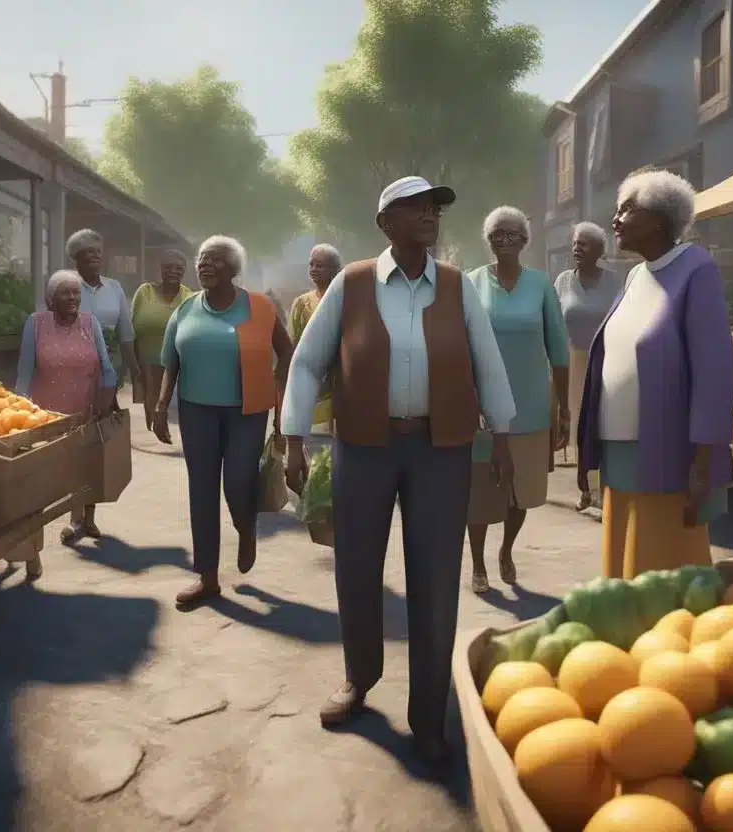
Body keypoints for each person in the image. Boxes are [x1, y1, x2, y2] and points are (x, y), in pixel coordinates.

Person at [282, 176, 515, 767]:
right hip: (365, 446)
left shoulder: (457, 287)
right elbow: (307, 362)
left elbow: (487, 360)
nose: (429, 215)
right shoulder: (353, 283)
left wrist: (503, 433)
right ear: (385, 222)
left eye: (434, 207)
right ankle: (358, 678)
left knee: (435, 579)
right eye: (415, 207)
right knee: (357, 567)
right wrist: (292, 439)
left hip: (441, 448)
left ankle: (428, 714)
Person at [576, 169, 733, 580]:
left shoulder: (696, 269)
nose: (616, 219)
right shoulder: (635, 275)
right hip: (619, 452)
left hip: (665, 454)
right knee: (623, 564)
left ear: (661, 218)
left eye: (628, 209)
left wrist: (703, 464)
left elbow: (714, 371)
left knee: (661, 570)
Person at [152, 235, 294, 609]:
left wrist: (279, 396)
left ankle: (246, 530)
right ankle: (207, 577)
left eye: (213, 259)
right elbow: (171, 362)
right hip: (196, 411)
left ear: (233, 268)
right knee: (201, 490)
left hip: (247, 411)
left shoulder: (260, 307)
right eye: (201, 259)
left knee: (237, 483)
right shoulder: (185, 310)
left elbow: (286, 350)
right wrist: (161, 405)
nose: (204, 264)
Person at [465, 207, 571, 594]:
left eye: (513, 234)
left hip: (531, 407)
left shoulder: (540, 285)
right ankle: (477, 563)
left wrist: (563, 408)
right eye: (498, 234)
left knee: (520, 493)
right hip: (482, 409)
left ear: (525, 241)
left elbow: (558, 349)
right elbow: (460, 345)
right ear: (488, 240)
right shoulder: (470, 282)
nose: (505, 240)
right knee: (479, 492)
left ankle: (506, 551)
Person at [46, 230, 139, 544]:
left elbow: (126, 332)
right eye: (88, 251)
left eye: (98, 250)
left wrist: (135, 372)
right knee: (75, 445)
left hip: (106, 376)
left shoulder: (115, 288)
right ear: (75, 258)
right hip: (71, 373)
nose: (95, 255)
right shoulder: (63, 286)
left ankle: (90, 517)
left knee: (97, 443)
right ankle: (75, 518)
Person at [16, 270, 119, 550]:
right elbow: (24, 371)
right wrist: (19, 409)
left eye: (76, 292)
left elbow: (106, 366)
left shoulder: (90, 323)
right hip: (46, 414)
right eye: (66, 292)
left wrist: (106, 398)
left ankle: (84, 519)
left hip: (86, 406)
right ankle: (42, 524)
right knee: (49, 471)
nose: (73, 297)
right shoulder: (35, 324)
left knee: (87, 465)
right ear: (51, 299)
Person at [554, 222, 623, 510]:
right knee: (578, 427)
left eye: (583, 244)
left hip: (607, 360)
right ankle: (585, 488)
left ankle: (604, 488)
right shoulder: (563, 281)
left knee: (603, 423)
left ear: (598, 250)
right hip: (573, 361)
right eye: (574, 243)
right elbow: (553, 321)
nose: (576, 248)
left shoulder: (614, 282)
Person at [131, 249, 193, 431]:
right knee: (151, 410)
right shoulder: (144, 292)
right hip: (147, 363)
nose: (173, 271)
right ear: (160, 269)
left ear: (184, 271)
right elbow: (131, 327)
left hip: (176, 365)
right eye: (168, 267)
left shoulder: (189, 297)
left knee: (174, 415)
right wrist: (134, 366)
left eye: (178, 268)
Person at [287, 244, 342, 433]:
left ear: (334, 270)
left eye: (320, 265)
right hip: (312, 383)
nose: (313, 269)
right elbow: (293, 344)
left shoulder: (346, 298)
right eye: (311, 264)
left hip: (342, 382)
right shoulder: (302, 303)